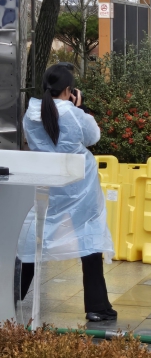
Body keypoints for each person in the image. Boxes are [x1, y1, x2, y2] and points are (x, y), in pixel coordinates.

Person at [17, 64, 116, 322]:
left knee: (34, 240)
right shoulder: (72, 113)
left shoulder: (31, 114)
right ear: (69, 90)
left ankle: (14, 293)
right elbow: (93, 137)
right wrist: (80, 108)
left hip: (48, 187)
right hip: (80, 187)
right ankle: (97, 306)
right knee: (89, 239)